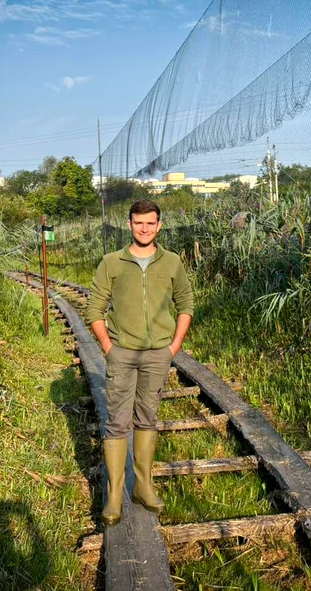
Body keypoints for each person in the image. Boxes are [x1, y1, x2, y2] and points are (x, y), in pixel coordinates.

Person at [85, 199, 194, 526]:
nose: (144, 228)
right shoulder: (111, 262)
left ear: (159, 226)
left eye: (150, 223)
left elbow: (186, 304)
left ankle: (143, 487)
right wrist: (109, 347)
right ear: (129, 224)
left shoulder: (172, 262)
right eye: (138, 223)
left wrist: (173, 346)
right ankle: (114, 495)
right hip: (122, 352)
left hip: (158, 354)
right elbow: (94, 309)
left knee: (148, 418)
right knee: (118, 422)